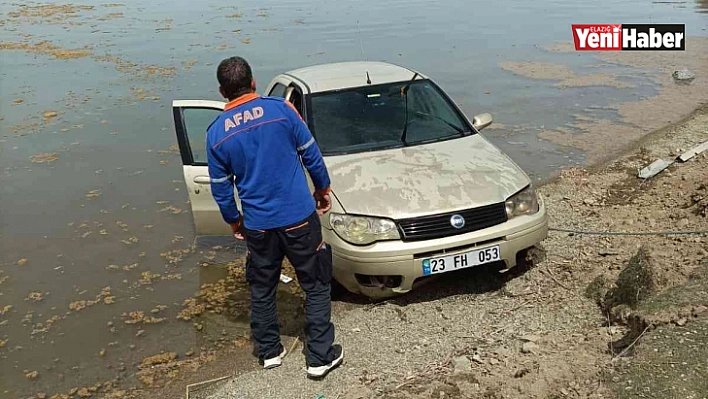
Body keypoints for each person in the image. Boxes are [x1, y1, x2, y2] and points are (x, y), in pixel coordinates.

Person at [205, 56, 343, 379]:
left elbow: (221, 190)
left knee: (262, 287)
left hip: (259, 226)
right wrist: (323, 190)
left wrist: (234, 221)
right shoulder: (281, 110)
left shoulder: (215, 134)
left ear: (222, 92)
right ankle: (320, 356)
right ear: (253, 83)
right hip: (298, 218)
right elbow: (311, 152)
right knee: (317, 282)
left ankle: (269, 351)